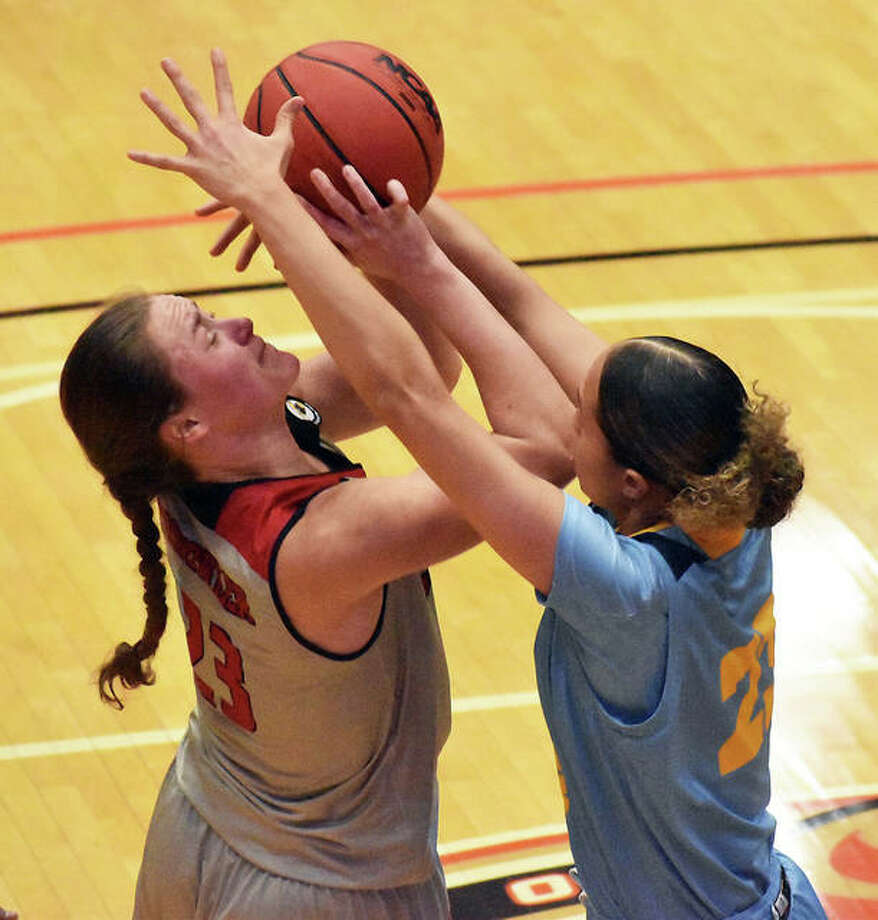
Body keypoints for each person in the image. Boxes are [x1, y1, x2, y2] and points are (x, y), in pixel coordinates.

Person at [127, 49, 830, 919]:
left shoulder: (625, 596)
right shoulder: (734, 494)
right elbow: (520, 304)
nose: (569, 405)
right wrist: (375, 195)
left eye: (585, 420)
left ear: (636, 486)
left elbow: (418, 400)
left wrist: (288, 209)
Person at [60, 71, 575, 920]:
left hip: (201, 824)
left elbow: (417, 361)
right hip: (323, 889)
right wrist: (282, 211)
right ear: (186, 425)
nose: (235, 323)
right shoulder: (320, 542)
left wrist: (340, 197)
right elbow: (541, 454)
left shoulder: (203, 467)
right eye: (205, 334)